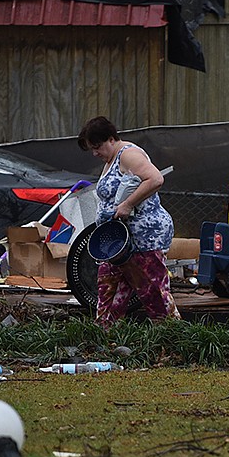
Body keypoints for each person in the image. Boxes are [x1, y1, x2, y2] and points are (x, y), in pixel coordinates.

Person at [77, 116, 181, 328]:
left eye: (97, 146)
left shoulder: (128, 155)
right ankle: (105, 335)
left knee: (153, 289)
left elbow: (155, 179)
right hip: (116, 242)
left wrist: (127, 204)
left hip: (143, 237)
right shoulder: (110, 160)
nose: (95, 153)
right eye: (91, 149)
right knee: (108, 285)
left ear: (111, 139)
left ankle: (171, 335)